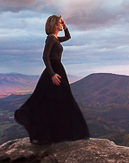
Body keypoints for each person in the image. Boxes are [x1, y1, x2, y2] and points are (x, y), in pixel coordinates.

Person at [14, 15, 90, 145]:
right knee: (56, 101)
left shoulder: (55, 38)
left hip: (57, 69)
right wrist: (52, 74)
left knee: (57, 102)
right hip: (54, 71)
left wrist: (65, 26)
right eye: (60, 23)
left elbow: (68, 37)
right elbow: (45, 56)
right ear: (55, 24)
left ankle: (56, 135)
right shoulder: (50, 38)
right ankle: (51, 134)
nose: (61, 24)